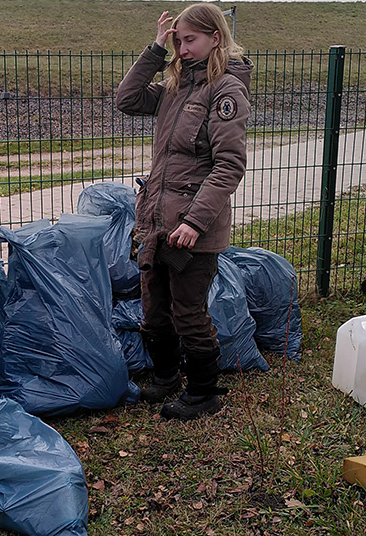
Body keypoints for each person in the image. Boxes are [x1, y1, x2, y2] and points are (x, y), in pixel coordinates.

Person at [116, 4, 253, 420]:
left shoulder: (226, 91)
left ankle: (203, 393)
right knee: (153, 307)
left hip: (195, 225)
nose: (183, 48)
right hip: (156, 221)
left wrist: (195, 221)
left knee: (187, 310)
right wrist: (156, 47)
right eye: (178, 40)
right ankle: (164, 378)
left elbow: (229, 164)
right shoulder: (174, 89)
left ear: (216, 37)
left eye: (190, 39)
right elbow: (127, 99)